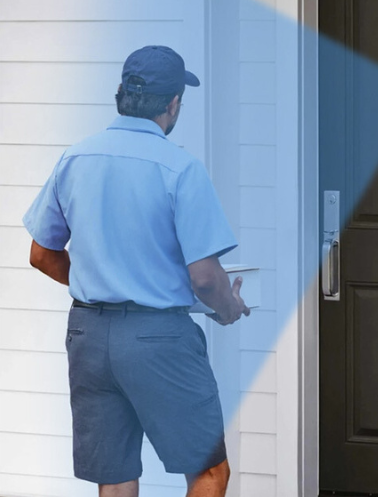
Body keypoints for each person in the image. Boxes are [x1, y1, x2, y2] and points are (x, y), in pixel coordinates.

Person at [23, 45, 249, 497]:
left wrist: (106, 284)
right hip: (158, 340)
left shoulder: (75, 158)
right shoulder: (180, 168)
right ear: (173, 105)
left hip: (88, 335)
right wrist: (228, 308)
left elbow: (42, 255)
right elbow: (205, 277)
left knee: (117, 474)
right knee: (208, 471)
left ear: (120, 95)